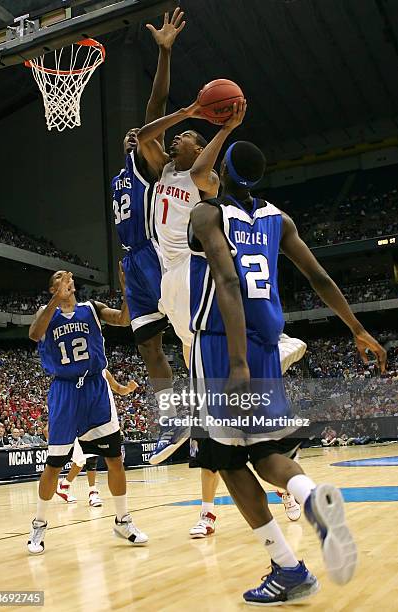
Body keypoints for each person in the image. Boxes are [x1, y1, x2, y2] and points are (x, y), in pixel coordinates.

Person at [188, 140, 386, 603]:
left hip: (224, 346)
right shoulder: (279, 219)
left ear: (222, 173)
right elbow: (318, 277)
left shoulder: (207, 215)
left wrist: (234, 361)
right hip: (266, 346)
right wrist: (357, 328)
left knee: (225, 461)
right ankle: (313, 497)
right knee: (265, 453)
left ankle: (287, 567)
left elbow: (228, 280)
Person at [138, 100, 307, 534]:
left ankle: (181, 420)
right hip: (167, 270)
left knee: (200, 354)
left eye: (190, 137)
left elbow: (203, 172)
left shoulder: (207, 181)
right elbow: (144, 135)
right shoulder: (162, 173)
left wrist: (222, 129)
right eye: (180, 137)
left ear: (205, 152)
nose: (180, 138)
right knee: (185, 351)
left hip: (195, 267)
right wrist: (191, 108)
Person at [26, 270, 147, 554]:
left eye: (66, 278)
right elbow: (34, 334)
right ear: (52, 288)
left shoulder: (91, 309)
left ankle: (122, 520)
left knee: (115, 459)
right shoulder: (46, 312)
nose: (65, 280)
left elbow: (124, 319)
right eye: (58, 279)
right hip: (65, 392)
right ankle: (38, 525)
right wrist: (55, 301)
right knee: (54, 465)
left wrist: (127, 289)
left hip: (95, 389)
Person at [112, 9, 185, 445]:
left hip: (155, 255)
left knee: (188, 332)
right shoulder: (119, 176)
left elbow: (155, 106)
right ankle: (172, 419)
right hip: (132, 264)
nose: (133, 135)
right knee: (148, 347)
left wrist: (164, 54)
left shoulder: (145, 163)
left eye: (140, 134)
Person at [56, 370, 138, 507]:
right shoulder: (75, 373)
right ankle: (92, 492)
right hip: (81, 422)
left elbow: (118, 388)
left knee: (80, 461)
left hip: (100, 420)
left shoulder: (103, 371)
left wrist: (129, 389)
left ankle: (64, 485)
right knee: (88, 457)